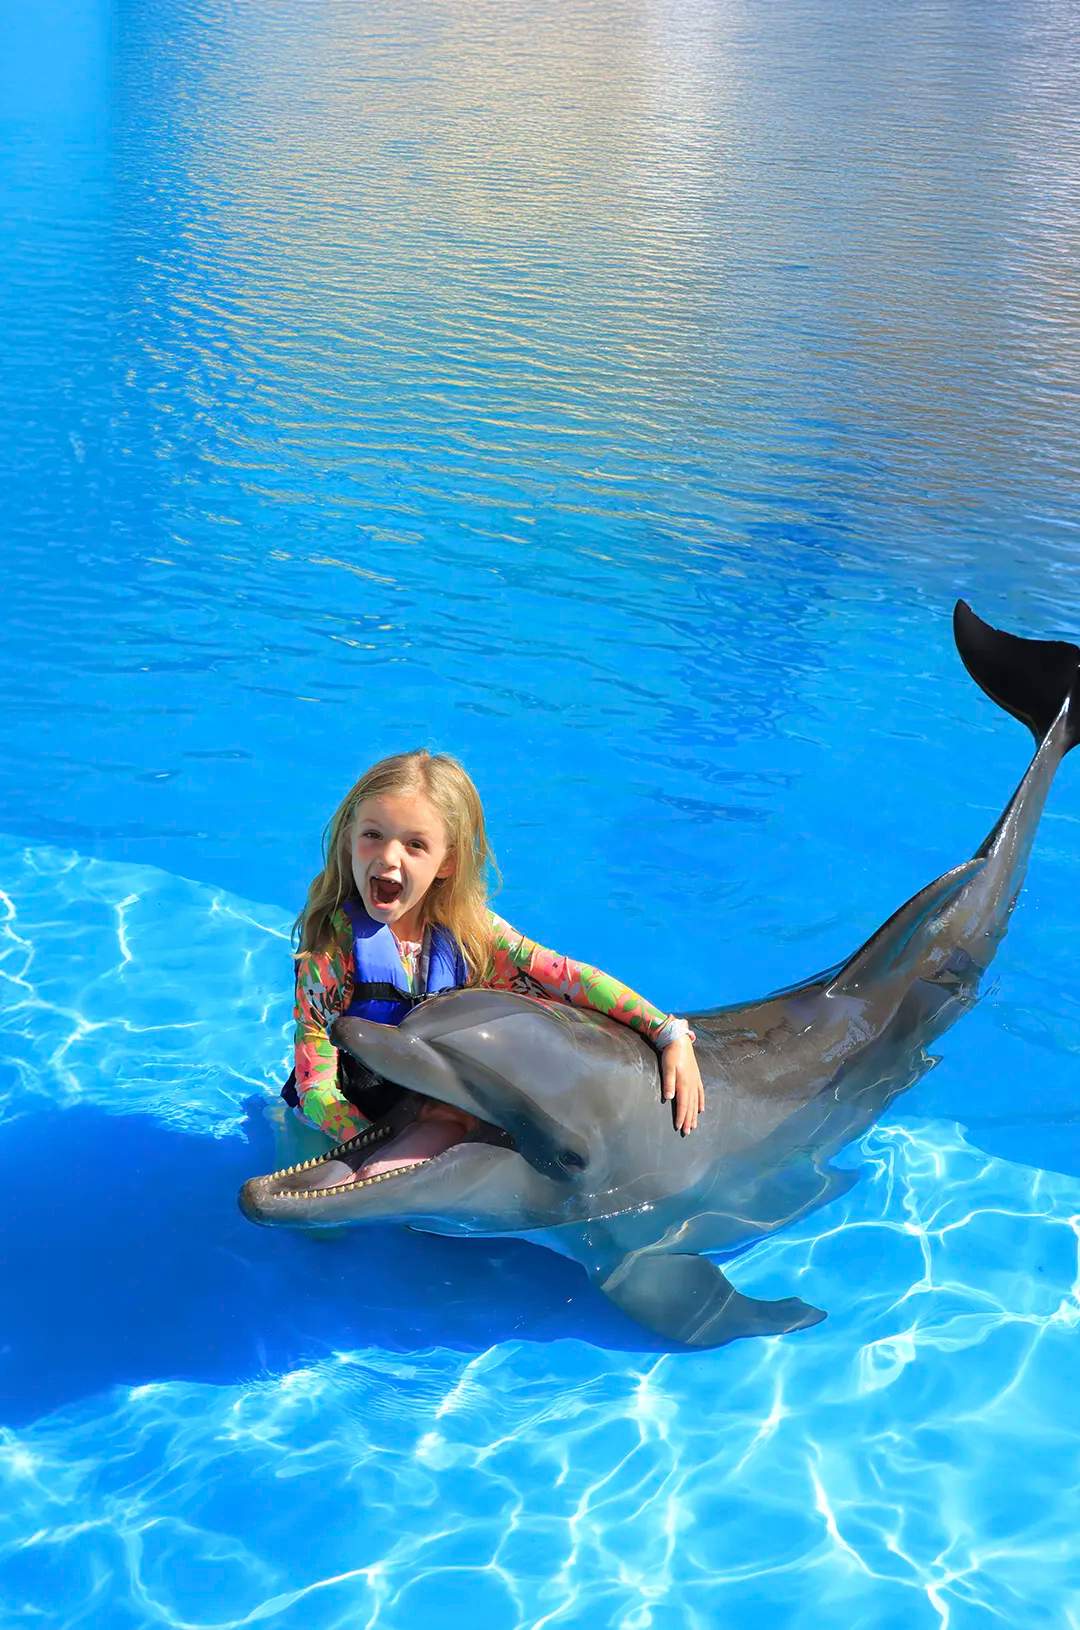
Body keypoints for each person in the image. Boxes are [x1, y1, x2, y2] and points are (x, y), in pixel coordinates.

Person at [285, 749, 705, 1149]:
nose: (389, 857)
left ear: (447, 862)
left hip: (432, 1113)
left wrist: (667, 1033)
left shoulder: (473, 937)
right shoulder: (331, 954)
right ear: (348, 841)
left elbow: (568, 979)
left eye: (415, 844)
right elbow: (316, 1087)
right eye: (372, 835)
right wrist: (372, 1144)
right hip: (339, 1122)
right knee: (318, 1226)